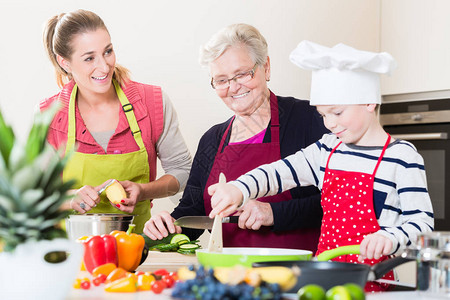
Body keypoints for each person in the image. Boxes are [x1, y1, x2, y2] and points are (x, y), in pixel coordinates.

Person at [208, 41, 434, 291]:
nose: (330, 124)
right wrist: (239, 188)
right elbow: (277, 173)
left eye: (337, 113)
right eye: (323, 115)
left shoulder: (402, 157)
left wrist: (390, 238)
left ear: (369, 102)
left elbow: (422, 224)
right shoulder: (327, 149)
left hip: (375, 281)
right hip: (323, 278)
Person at [143, 24, 329, 252]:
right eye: (221, 80)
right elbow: (194, 212)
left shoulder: (311, 119)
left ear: (266, 67)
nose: (233, 87)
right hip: (228, 275)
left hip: (299, 274)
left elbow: (340, 199)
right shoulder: (212, 140)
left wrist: (273, 213)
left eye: (241, 74)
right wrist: (170, 226)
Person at [39, 9, 192, 233]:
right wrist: (69, 198)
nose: (104, 66)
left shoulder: (152, 102)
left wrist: (144, 190)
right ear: (65, 63)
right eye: (89, 58)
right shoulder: (50, 115)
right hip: (71, 254)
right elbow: (34, 196)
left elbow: (183, 170)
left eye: (108, 51)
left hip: (137, 248)